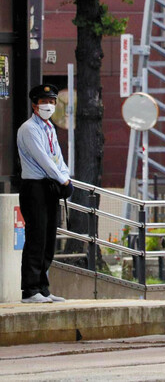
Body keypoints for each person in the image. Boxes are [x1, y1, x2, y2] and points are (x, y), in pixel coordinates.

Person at [17, 83, 72, 303]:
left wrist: (66, 176)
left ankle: (43, 287)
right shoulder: (29, 129)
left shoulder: (49, 128)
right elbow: (44, 159)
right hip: (35, 188)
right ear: (34, 104)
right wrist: (61, 178)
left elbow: (58, 157)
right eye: (44, 102)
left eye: (52, 101)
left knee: (49, 237)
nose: (48, 105)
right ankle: (30, 290)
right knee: (36, 238)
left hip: (50, 187)